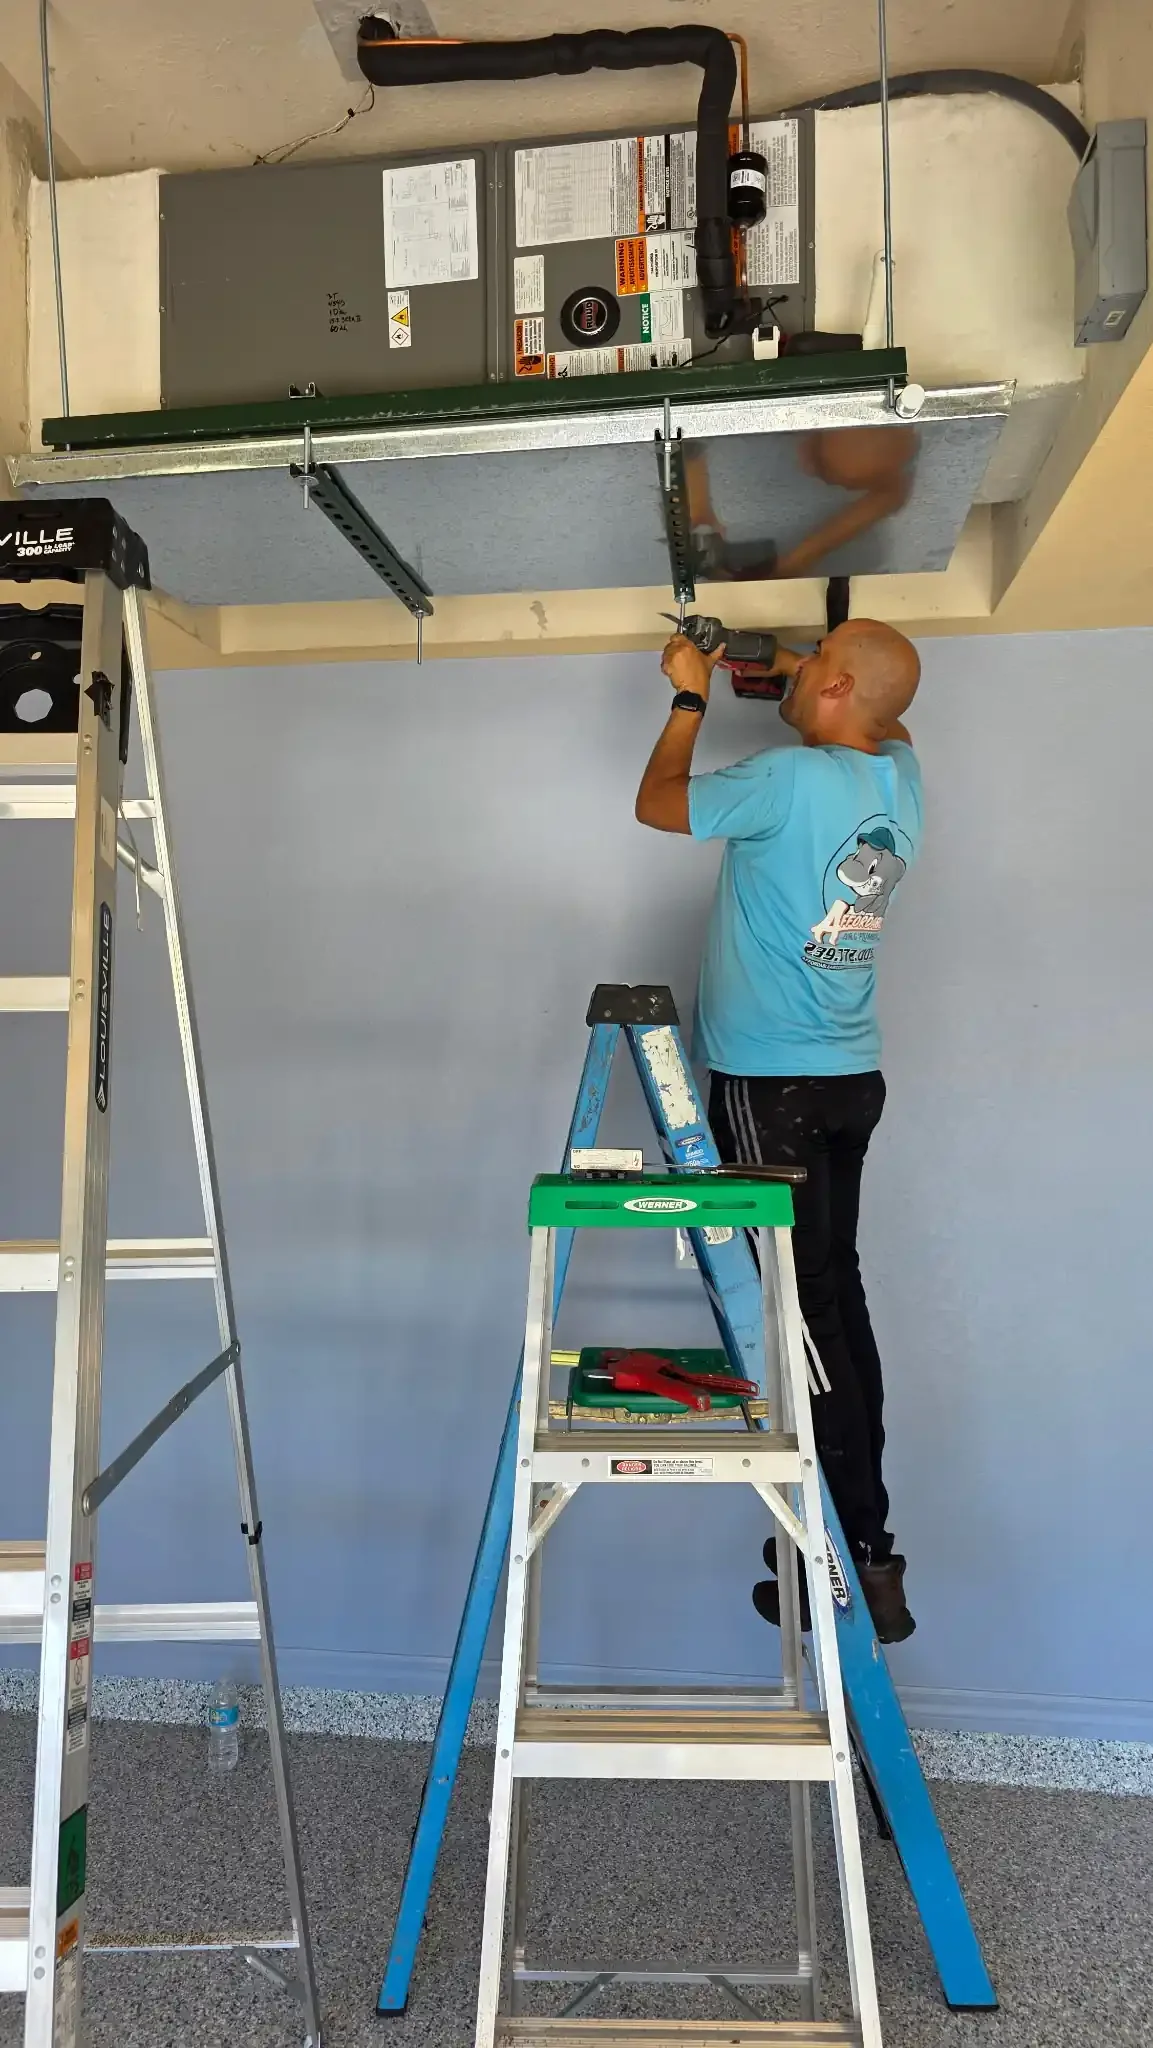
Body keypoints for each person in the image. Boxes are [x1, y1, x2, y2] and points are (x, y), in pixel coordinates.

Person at [634, 619, 922, 1643]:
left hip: (773, 1082)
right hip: (849, 1078)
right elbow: (868, 702)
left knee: (797, 1323)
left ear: (838, 686)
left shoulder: (789, 779)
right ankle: (868, 1545)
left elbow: (657, 801)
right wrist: (787, 663)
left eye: (814, 667)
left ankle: (836, 1554)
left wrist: (687, 696)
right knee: (836, 1301)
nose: (796, 676)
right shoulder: (899, 779)